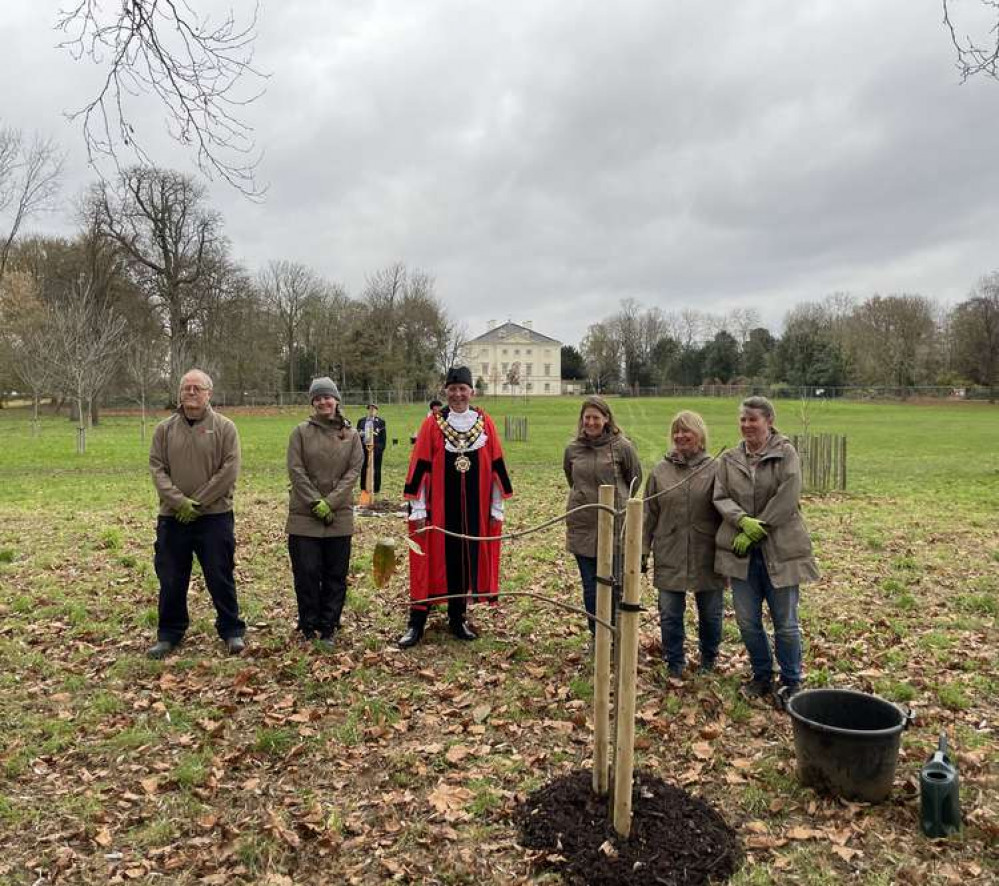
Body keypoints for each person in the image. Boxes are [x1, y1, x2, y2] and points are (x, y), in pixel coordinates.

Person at [713, 396, 819, 705]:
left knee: (785, 623)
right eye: (743, 419)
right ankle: (761, 675)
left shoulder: (786, 454)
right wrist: (741, 521)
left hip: (781, 551)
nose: (746, 425)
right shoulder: (730, 459)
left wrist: (760, 527)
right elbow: (720, 496)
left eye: (753, 419)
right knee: (747, 621)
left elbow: (788, 496)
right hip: (741, 554)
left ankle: (791, 681)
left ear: (769, 421)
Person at [398, 366, 513, 647]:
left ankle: (457, 617)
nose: (458, 394)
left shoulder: (485, 423)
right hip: (438, 510)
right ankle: (417, 621)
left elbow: (496, 463)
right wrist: (419, 507)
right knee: (427, 562)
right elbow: (420, 465)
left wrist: (496, 506)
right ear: (446, 391)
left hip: (474, 511)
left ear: (471, 391)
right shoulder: (432, 424)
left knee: (464, 560)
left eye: (463, 389)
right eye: (453, 389)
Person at [148, 369, 246, 659]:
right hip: (173, 518)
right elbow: (157, 469)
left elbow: (229, 470)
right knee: (171, 577)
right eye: (186, 388)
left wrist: (198, 503)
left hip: (214, 516)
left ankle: (231, 630)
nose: (191, 392)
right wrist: (180, 503)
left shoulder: (226, 428)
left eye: (197, 388)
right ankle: (169, 633)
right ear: (179, 393)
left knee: (220, 574)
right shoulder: (164, 430)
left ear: (209, 393)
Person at [642, 410, 723, 678]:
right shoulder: (660, 472)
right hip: (670, 550)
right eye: (676, 431)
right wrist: (642, 550)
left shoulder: (716, 469)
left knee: (711, 614)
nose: (680, 436)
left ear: (699, 435)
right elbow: (648, 513)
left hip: (707, 553)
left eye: (686, 430)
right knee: (670, 613)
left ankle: (709, 659)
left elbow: (728, 511)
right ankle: (674, 662)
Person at [285, 377, 363, 650]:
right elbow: (296, 470)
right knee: (306, 573)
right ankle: (308, 624)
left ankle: (329, 625)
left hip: (338, 515)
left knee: (334, 573)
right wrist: (315, 502)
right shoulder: (300, 432)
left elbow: (353, 472)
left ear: (336, 400)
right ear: (312, 402)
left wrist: (330, 503)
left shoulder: (352, 436)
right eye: (317, 398)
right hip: (304, 515)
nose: (323, 402)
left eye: (327, 397)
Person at [563, 396, 642, 637]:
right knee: (591, 588)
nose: (591, 422)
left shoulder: (622, 447)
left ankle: (618, 635)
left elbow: (634, 479)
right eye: (587, 417)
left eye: (596, 417)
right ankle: (598, 636)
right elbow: (571, 478)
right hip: (583, 527)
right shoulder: (573, 449)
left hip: (615, 526)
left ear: (606, 419)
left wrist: (617, 503)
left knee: (615, 585)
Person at [357, 402, 387, 494]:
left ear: (376, 411)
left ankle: (376, 488)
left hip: (376, 450)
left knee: (376, 469)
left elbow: (383, 438)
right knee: (364, 468)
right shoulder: (361, 421)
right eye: (370, 409)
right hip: (364, 449)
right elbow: (357, 434)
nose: (372, 411)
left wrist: (379, 449)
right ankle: (363, 487)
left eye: (374, 409)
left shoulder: (381, 422)